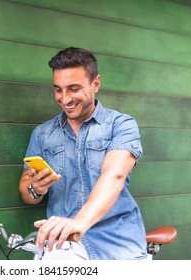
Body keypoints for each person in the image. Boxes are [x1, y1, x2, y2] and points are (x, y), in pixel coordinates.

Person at [19, 47, 147, 260]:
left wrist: (79, 222)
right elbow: (26, 191)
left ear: (95, 83)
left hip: (118, 244)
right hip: (63, 245)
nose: (65, 98)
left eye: (73, 88)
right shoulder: (42, 134)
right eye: (58, 90)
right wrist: (35, 188)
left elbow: (114, 176)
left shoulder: (121, 125)